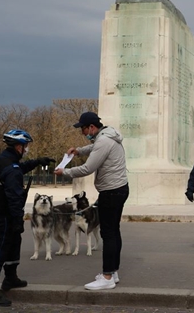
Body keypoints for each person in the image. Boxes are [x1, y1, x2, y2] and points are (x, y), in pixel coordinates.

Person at [54, 112, 128, 290]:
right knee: (114, 232)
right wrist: (78, 150)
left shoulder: (102, 141)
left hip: (111, 192)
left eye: (83, 129)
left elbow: (88, 168)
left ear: (92, 127)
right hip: (118, 189)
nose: (82, 132)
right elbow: (93, 148)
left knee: (108, 234)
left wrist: (65, 172)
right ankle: (113, 271)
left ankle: (107, 275)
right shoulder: (107, 135)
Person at [0, 129, 55, 307]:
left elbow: (18, 168)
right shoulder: (11, 169)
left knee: (14, 242)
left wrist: (36, 162)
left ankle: (11, 278)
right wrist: (18, 220)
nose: (27, 149)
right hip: (3, 213)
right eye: (26, 146)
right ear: (19, 146)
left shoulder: (1, 160)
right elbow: (14, 197)